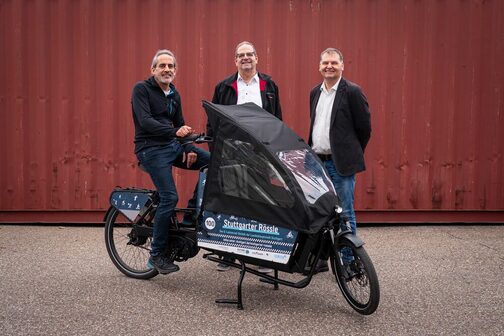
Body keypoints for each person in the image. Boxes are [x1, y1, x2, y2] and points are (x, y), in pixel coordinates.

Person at [132, 49, 210, 274]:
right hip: (151, 149)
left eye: (171, 66)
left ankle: (189, 219)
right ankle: (156, 256)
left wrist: (187, 146)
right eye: (162, 66)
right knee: (169, 196)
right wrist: (176, 132)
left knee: (212, 163)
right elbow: (145, 122)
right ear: (153, 69)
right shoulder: (142, 89)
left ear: (175, 71)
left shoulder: (174, 94)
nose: (167, 70)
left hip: (173, 146)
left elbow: (181, 123)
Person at [208, 41, 282, 272]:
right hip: (231, 151)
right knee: (233, 202)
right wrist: (216, 152)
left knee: (264, 202)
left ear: (257, 58)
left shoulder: (269, 85)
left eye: (250, 54)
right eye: (241, 55)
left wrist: (275, 151)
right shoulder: (224, 87)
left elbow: (277, 119)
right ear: (235, 60)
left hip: (262, 153)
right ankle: (228, 255)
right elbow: (214, 121)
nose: (246, 58)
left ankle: (264, 258)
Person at [308, 48, 371, 272]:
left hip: (340, 164)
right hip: (318, 163)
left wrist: (349, 153)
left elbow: (364, 128)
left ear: (342, 66)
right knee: (320, 213)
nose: (329, 66)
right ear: (319, 66)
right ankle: (322, 258)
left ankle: (349, 263)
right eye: (325, 62)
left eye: (334, 62)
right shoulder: (315, 92)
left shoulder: (352, 92)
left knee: (344, 213)